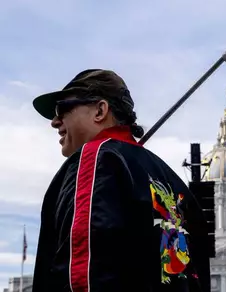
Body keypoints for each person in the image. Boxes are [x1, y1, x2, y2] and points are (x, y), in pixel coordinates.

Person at [31, 69, 211, 291]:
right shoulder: (172, 180)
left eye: (62, 109)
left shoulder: (96, 158)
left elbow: (84, 271)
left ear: (100, 110)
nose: (55, 122)